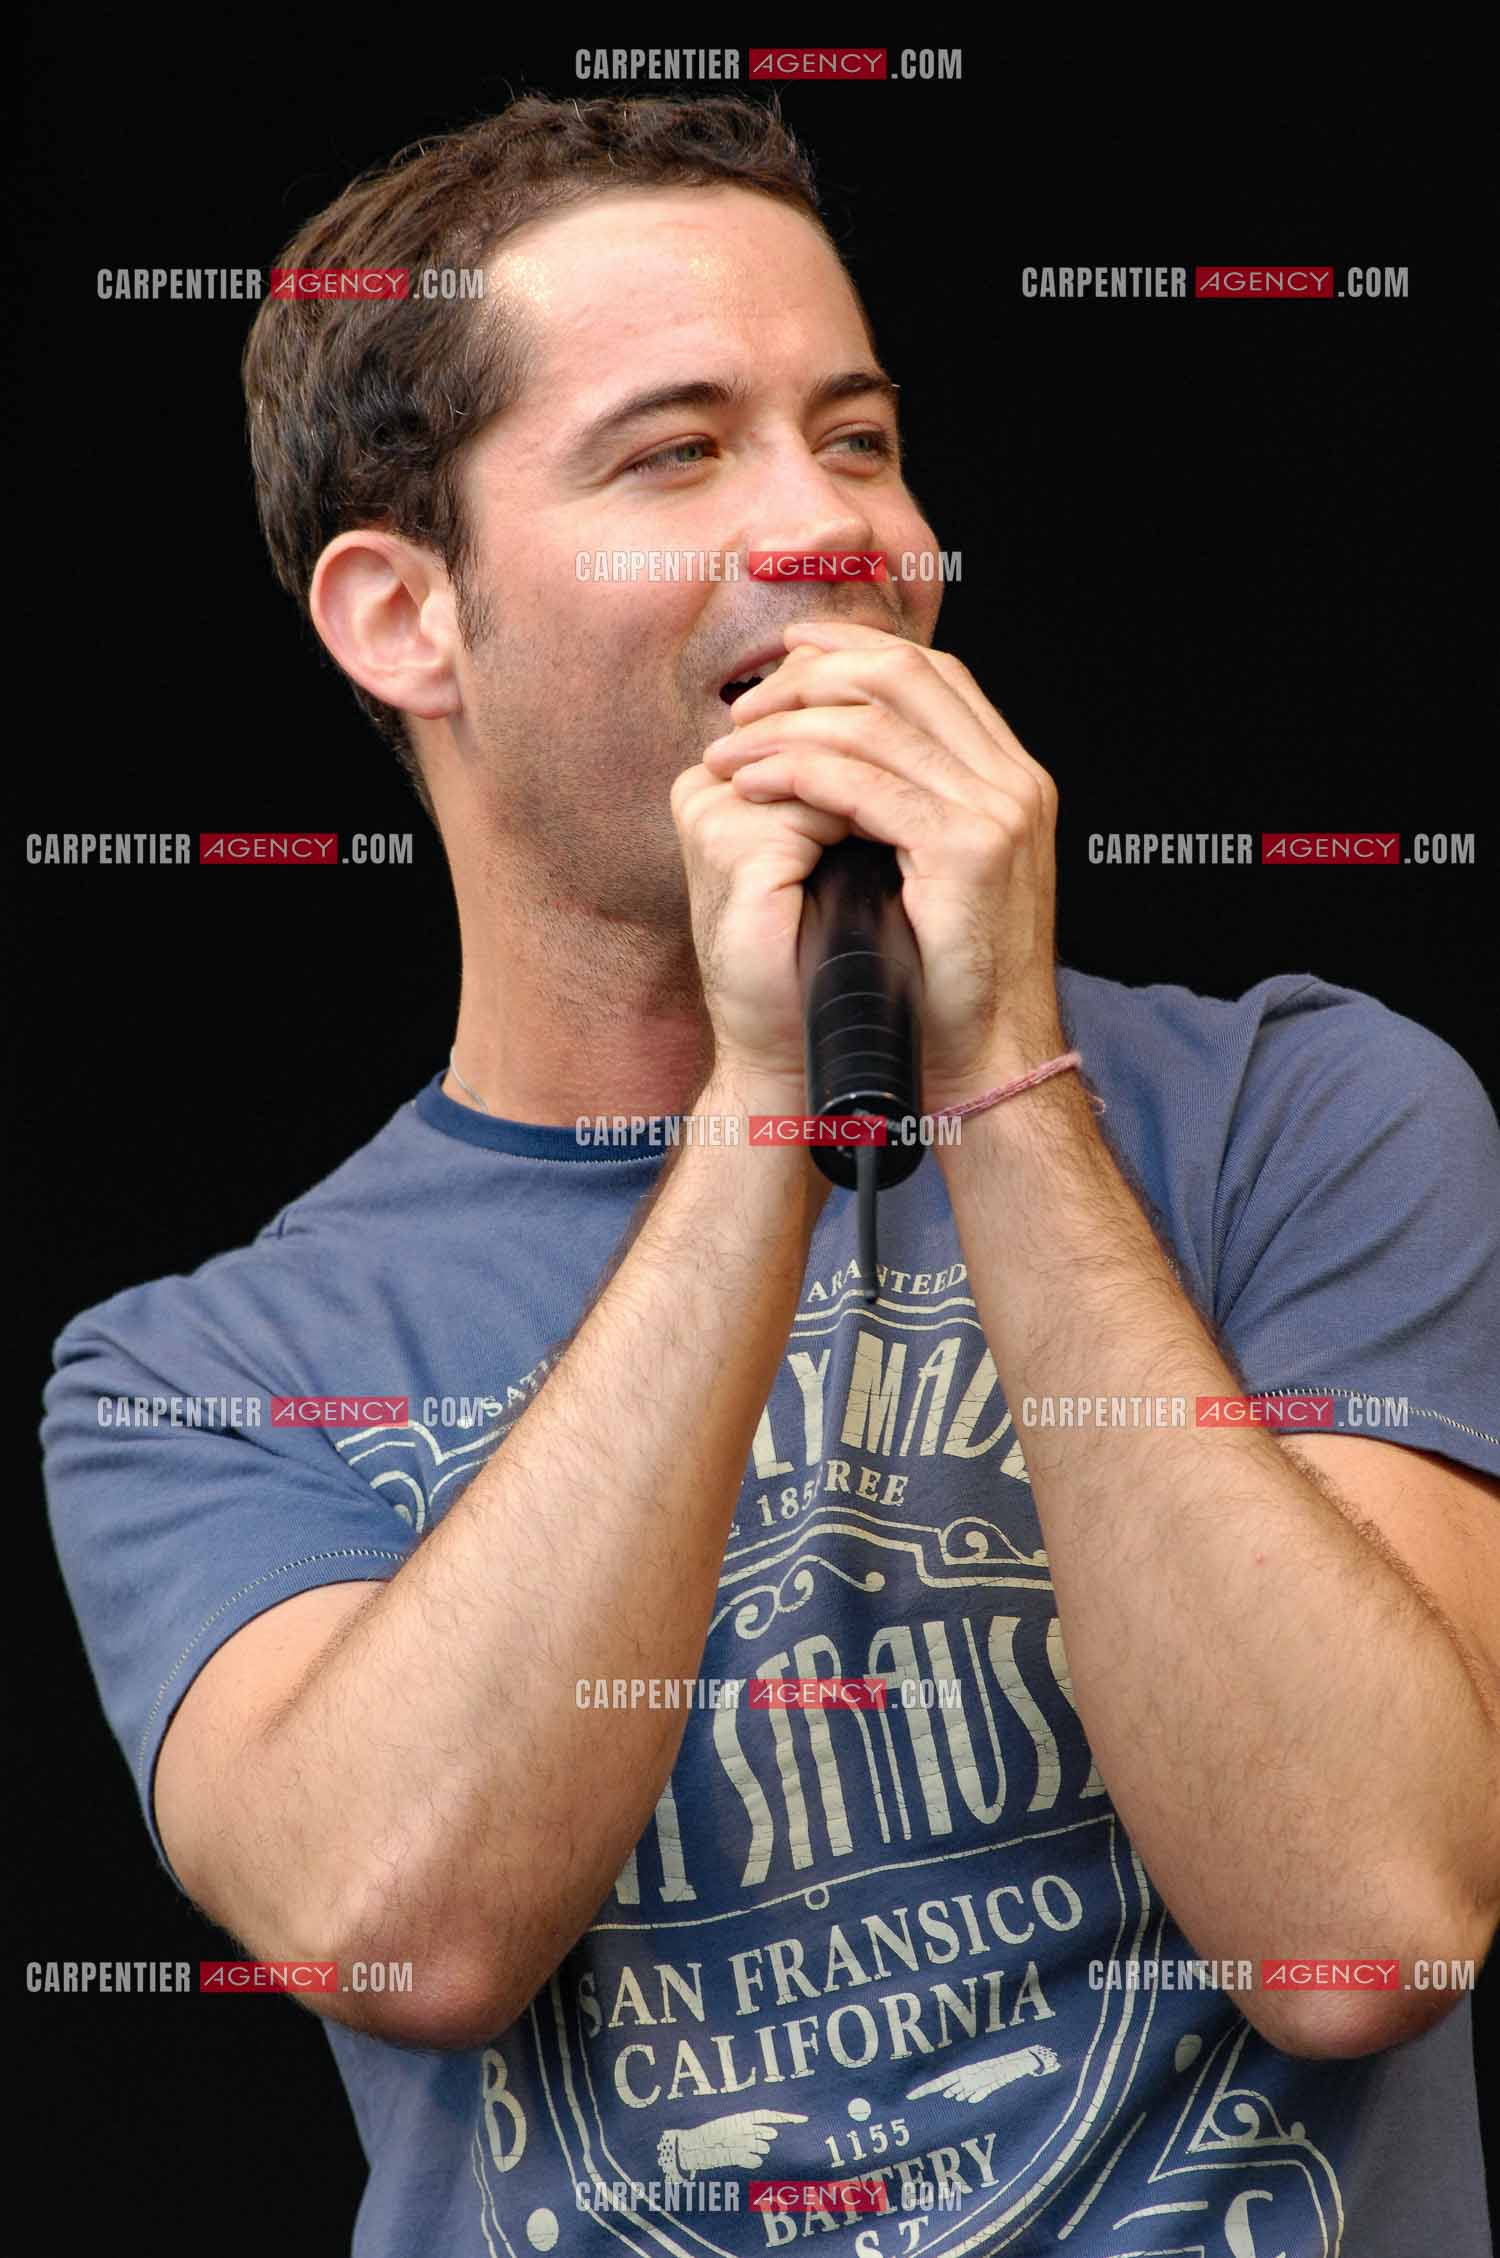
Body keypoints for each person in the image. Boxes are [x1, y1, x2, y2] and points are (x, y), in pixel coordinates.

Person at [42, 93, 1500, 2256]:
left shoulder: (1304, 1115)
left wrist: (1001, 1072)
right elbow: (407, 1920)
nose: (831, 529)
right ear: (402, 619)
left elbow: (1364, 1928)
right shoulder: (200, 1373)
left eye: (861, 435)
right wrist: (757, 1115)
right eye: (678, 452)